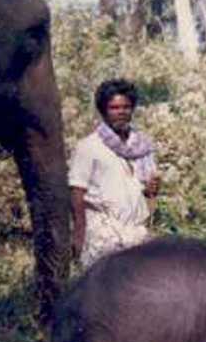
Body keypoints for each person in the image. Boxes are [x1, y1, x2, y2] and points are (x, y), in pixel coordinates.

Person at [68, 78, 161, 269]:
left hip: (136, 233)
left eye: (126, 107)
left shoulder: (141, 146)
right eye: (114, 107)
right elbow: (77, 192)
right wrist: (79, 234)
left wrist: (151, 190)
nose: (121, 112)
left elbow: (148, 192)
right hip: (103, 233)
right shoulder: (89, 146)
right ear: (104, 111)